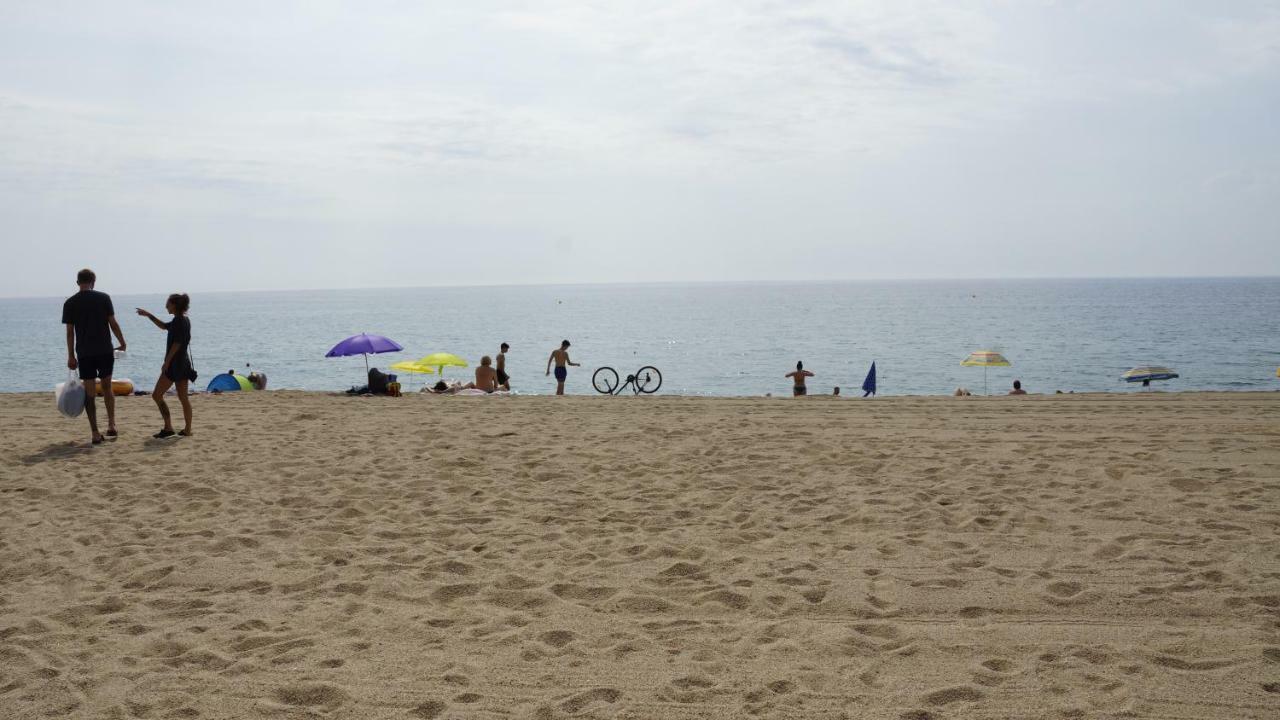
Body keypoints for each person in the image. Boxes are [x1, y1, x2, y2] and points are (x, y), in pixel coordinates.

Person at [62, 268, 127, 444]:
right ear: (93, 281)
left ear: (77, 283)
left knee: (90, 394)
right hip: (105, 350)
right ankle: (112, 424)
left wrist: (71, 356)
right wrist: (122, 341)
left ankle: (95, 433)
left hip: (84, 353)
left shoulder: (70, 303)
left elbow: (70, 333)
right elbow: (112, 323)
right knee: (107, 387)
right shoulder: (104, 298)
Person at [136, 294, 194, 438]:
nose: (166, 306)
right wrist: (149, 315)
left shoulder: (179, 321)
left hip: (175, 364)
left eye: (168, 304)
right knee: (183, 398)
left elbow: (177, 344)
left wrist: (167, 362)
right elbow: (163, 326)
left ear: (174, 305)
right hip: (183, 363)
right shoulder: (181, 320)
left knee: (157, 395)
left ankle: (168, 427)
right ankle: (187, 430)